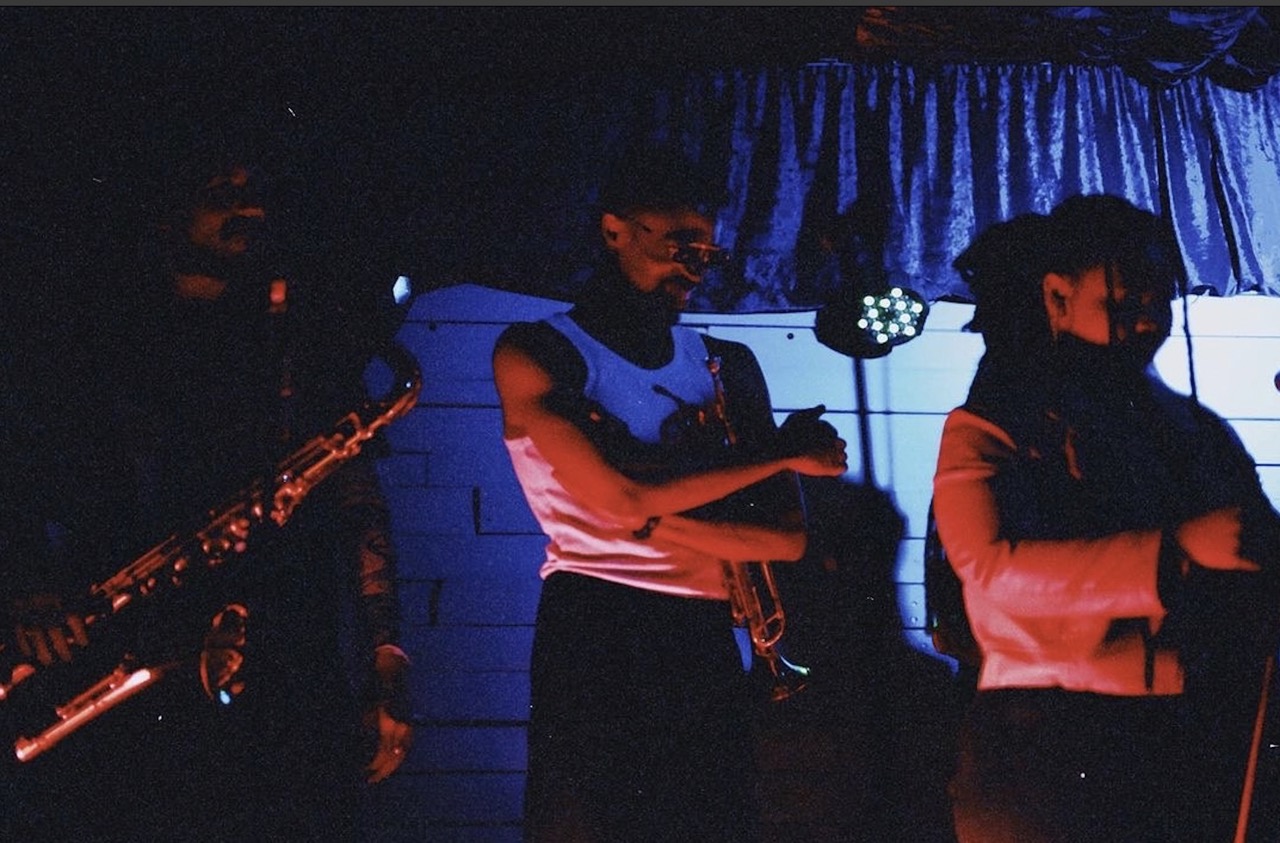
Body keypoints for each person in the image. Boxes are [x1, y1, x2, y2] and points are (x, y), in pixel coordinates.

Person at [1, 149, 413, 842]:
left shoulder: (291, 339)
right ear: (167, 214)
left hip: (283, 667)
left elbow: (355, 496)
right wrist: (29, 588)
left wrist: (387, 654)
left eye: (255, 192)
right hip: (129, 668)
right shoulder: (91, 340)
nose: (249, 209)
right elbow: (25, 475)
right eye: (222, 192)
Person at [491, 143, 848, 842]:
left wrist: (652, 521)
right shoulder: (539, 350)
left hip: (701, 632)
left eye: (708, 253)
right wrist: (777, 454)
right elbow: (627, 494)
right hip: (596, 623)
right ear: (614, 231)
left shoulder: (727, 364)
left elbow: (783, 538)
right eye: (681, 246)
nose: (695, 269)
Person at [931, 193, 1280, 842]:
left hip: (1189, 731)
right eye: (1122, 304)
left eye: (1158, 303)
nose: (1146, 323)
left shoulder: (1196, 429)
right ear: (1057, 297)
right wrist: (1174, 549)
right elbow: (992, 567)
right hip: (1047, 741)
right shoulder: (995, 423)